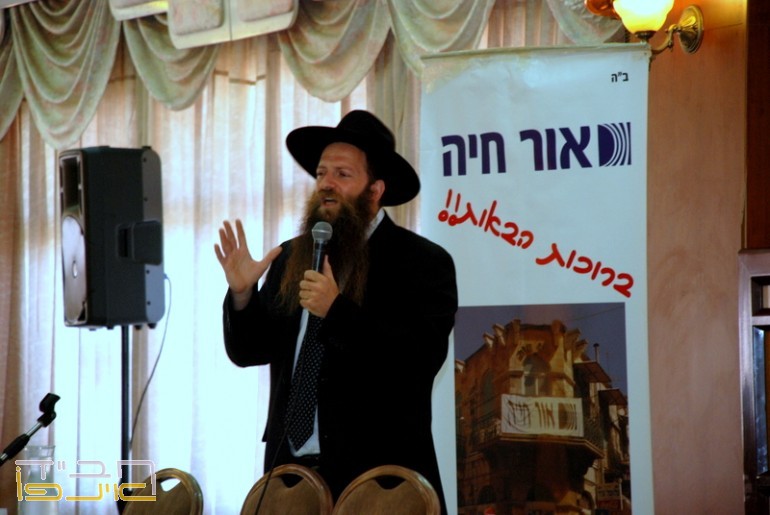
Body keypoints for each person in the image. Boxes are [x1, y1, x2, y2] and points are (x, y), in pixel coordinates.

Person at [215, 110, 458, 512]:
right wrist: (242, 295)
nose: (326, 184)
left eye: (342, 174)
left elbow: (419, 359)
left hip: (379, 482)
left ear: (374, 190)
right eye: (321, 173)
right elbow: (249, 350)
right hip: (290, 479)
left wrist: (337, 311)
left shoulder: (422, 262)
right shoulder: (292, 256)